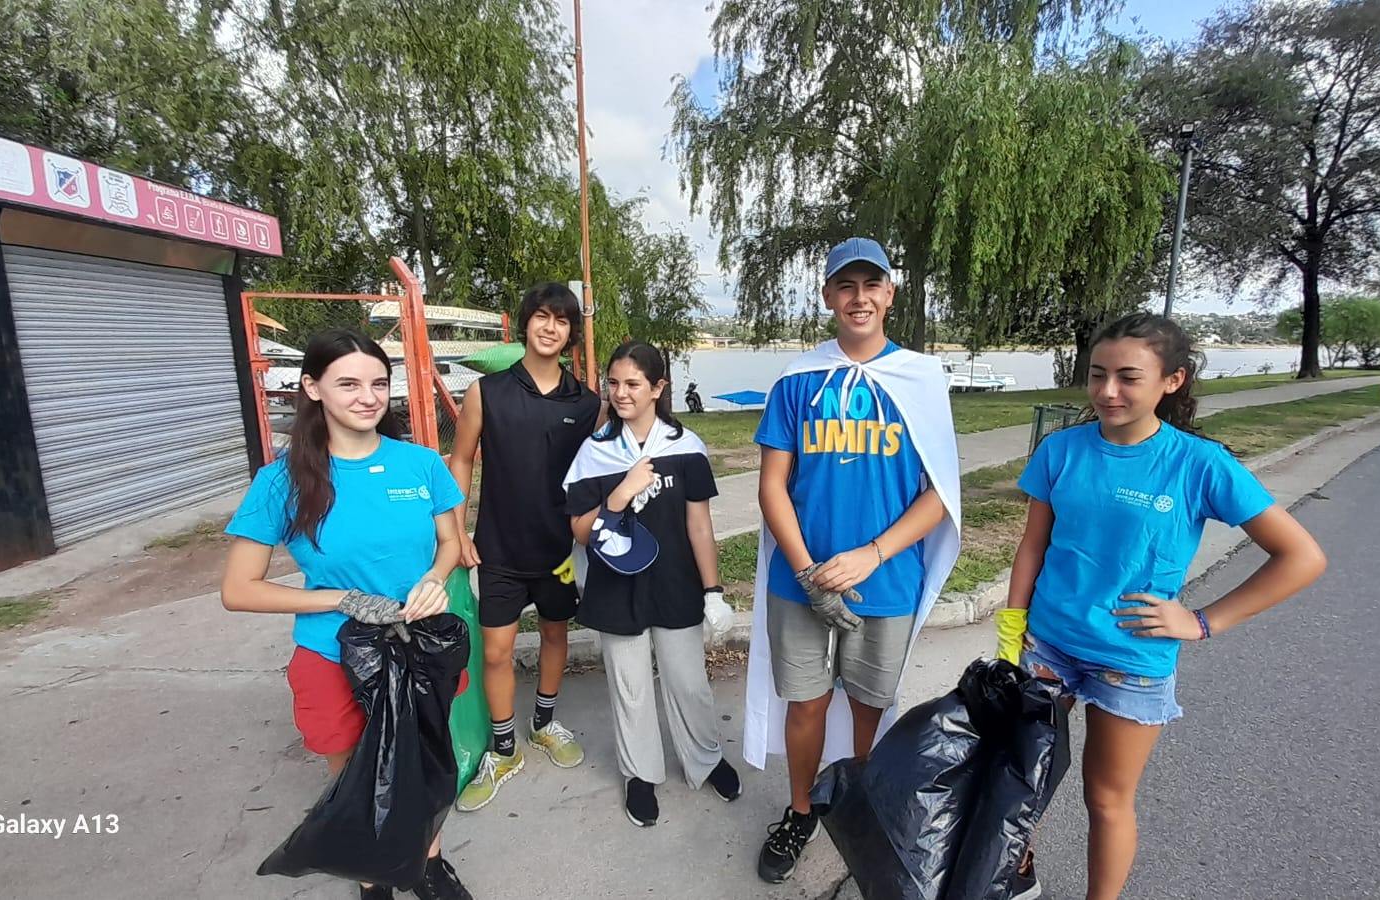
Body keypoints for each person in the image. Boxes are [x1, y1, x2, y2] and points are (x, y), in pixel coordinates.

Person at [994, 312, 1327, 900]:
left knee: (1106, 798)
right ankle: (1016, 872)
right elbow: (1033, 545)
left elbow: (1301, 557)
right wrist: (1011, 627)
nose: (1107, 391)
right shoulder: (1060, 449)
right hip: (1046, 643)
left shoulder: (1200, 464)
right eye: (1097, 375)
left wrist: (1202, 622)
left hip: (1131, 658)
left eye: (1128, 377)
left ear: (1171, 382)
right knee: (1024, 778)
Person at [220, 329, 475, 900]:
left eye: (379, 384)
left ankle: (429, 865)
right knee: (358, 777)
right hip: (334, 655)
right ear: (313, 388)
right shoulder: (281, 481)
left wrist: (434, 579)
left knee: (425, 764)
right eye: (349, 384)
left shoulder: (420, 464)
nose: (368, 397)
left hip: (420, 648)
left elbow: (450, 543)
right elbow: (238, 589)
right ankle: (373, 880)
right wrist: (339, 598)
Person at [743, 237, 963, 883]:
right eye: (846, 285)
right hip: (800, 581)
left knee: (871, 704)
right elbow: (771, 486)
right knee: (806, 704)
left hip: (886, 579)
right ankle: (801, 810)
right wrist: (808, 572)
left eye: (871, 285)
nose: (859, 297)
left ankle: (864, 808)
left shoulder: (922, 380)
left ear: (890, 294)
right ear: (828, 296)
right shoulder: (797, 380)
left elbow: (939, 495)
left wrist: (872, 554)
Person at [562, 341, 742, 826]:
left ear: (658, 388)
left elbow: (699, 526)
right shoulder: (595, 452)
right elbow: (580, 530)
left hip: (675, 583)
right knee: (630, 687)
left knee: (690, 682)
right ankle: (640, 774)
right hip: (615, 587)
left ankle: (705, 758)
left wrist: (714, 593)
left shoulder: (686, 448)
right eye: (613, 383)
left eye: (633, 384)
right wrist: (619, 494)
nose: (621, 393)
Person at [448, 282, 602, 811]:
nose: (550, 327)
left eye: (561, 320)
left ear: (571, 333)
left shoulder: (587, 403)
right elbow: (461, 459)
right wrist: (457, 529)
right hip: (500, 549)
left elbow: (600, 470)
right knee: (495, 651)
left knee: (556, 634)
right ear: (525, 324)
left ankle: (544, 722)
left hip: (560, 551)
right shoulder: (486, 392)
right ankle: (504, 747)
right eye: (541, 316)